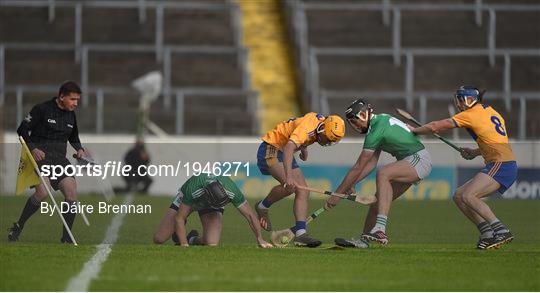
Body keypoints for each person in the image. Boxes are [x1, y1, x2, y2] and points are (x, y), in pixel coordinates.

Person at [409, 86, 516, 250]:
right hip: (503, 163)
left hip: (501, 164)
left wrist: (415, 131)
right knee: (459, 196)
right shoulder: (489, 111)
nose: (458, 103)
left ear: (469, 99)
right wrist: (474, 152)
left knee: (468, 195)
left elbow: (437, 126)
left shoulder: (471, 114)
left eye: (460, 99)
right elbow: (494, 141)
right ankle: (486, 232)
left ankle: (501, 230)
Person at [326, 99, 432, 248]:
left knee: (383, 174)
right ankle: (364, 241)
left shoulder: (376, 128)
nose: (355, 125)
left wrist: (337, 194)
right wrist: (353, 183)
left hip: (418, 159)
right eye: (352, 123)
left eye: (355, 121)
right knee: (377, 202)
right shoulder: (378, 124)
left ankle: (380, 230)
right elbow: (370, 164)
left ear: (363, 115)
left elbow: (358, 166)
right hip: (408, 161)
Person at [8, 81, 86, 243]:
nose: (75, 103)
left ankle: (66, 238)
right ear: (61, 97)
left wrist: (79, 149)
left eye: (77, 100)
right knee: (43, 193)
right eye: (72, 99)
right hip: (41, 159)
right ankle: (19, 225)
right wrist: (33, 149)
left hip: (60, 160)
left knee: (72, 193)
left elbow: (73, 137)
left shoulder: (71, 114)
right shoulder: (42, 109)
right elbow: (22, 130)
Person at [254, 112, 345, 248]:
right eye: (326, 138)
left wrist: (303, 147)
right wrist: (289, 176)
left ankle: (301, 234)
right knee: (290, 186)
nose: (326, 142)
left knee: (303, 191)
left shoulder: (320, 123)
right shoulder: (308, 128)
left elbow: (302, 125)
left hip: (283, 150)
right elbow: (291, 146)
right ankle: (262, 206)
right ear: (322, 129)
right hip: (271, 147)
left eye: (330, 141)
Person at [153, 174, 273, 248]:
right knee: (159, 239)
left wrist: (260, 239)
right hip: (190, 201)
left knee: (211, 243)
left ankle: (192, 238)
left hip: (210, 203)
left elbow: (251, 216)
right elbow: (179, 218)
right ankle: (180, 235)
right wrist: (184, 245)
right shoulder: (193, 188)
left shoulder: (232, 190)